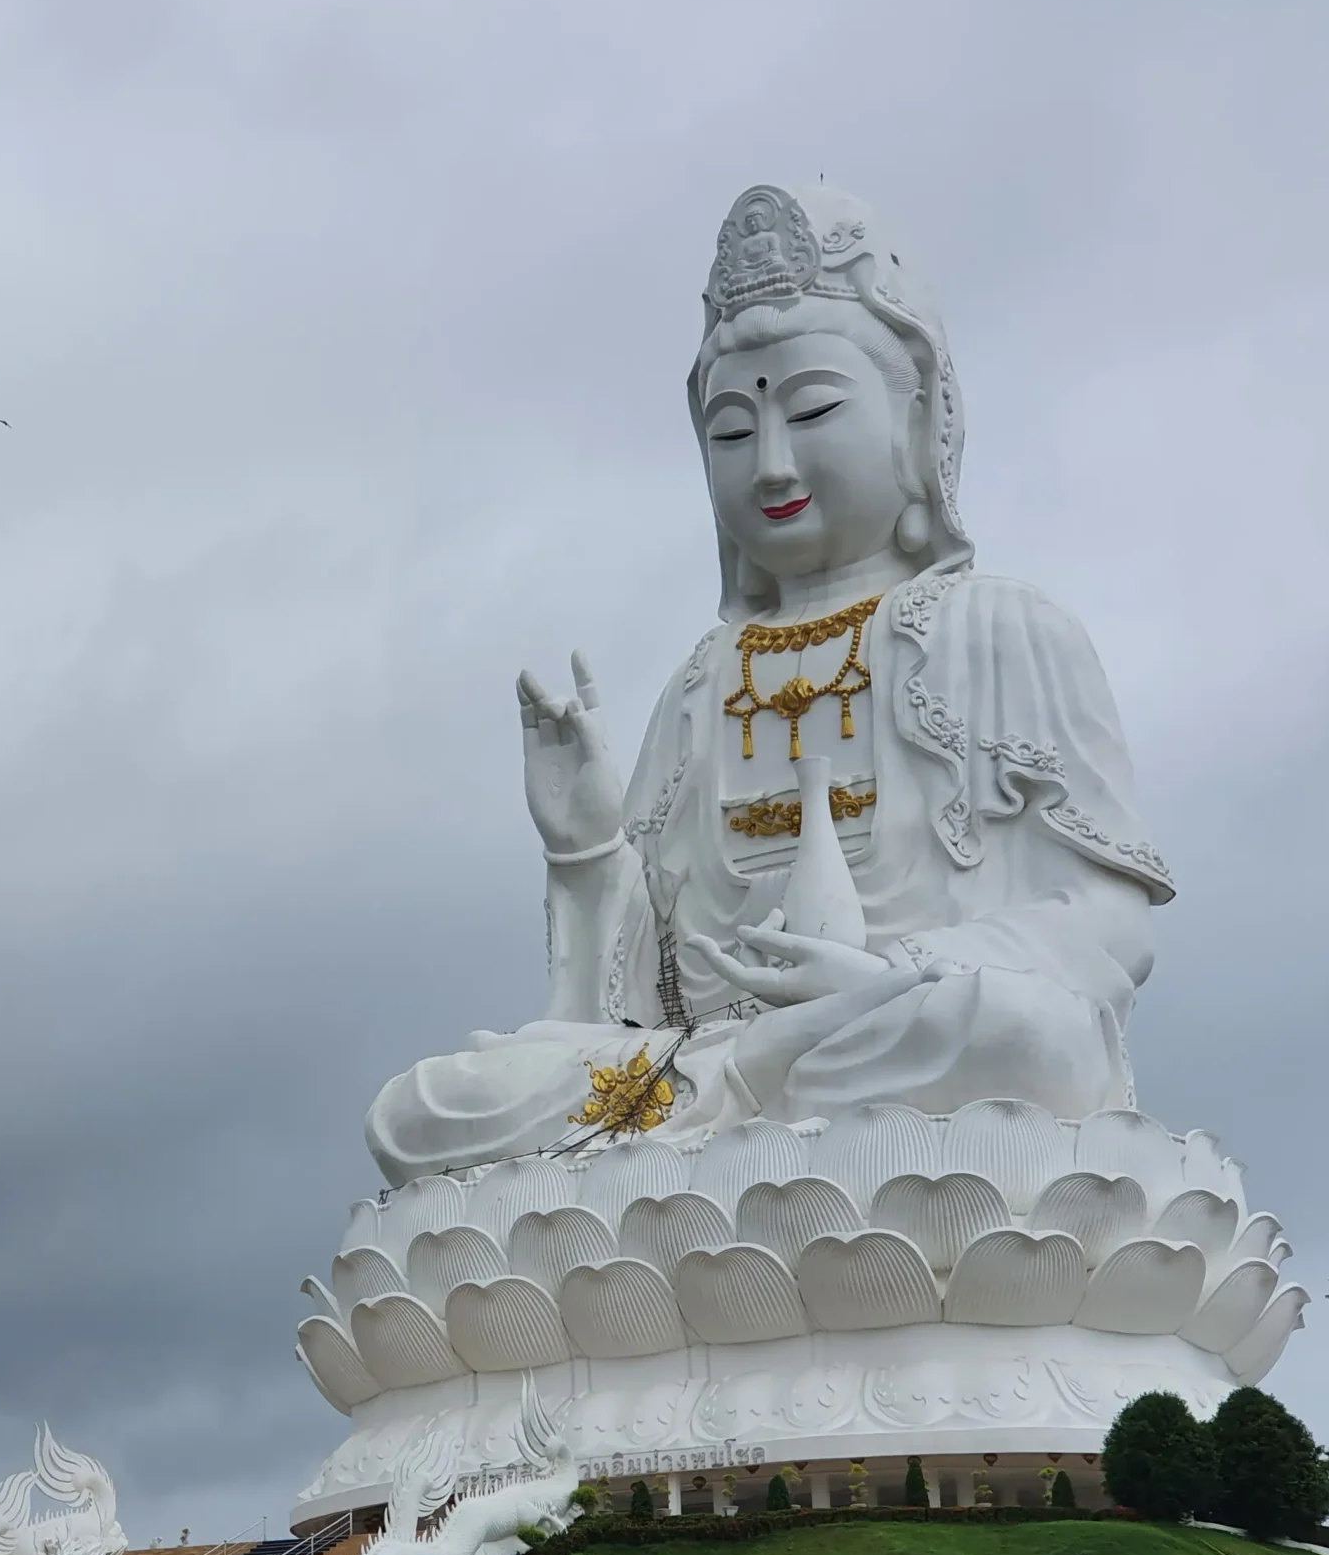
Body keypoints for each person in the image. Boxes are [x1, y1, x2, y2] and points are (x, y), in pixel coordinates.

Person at [366, 184, 1171, 1185]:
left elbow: (1104, 928)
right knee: (426, 1110)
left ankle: (724, 1140)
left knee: (1027, 1039)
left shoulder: (1003, 630)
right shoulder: (701, 680)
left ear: (916, 422)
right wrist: (585, 845)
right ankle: (723, 1127)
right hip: (701, 1073)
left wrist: (897, 980)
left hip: (901, 1040)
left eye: (815, 410)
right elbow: (630, 1002)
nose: (772, 464)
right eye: (732, 433)